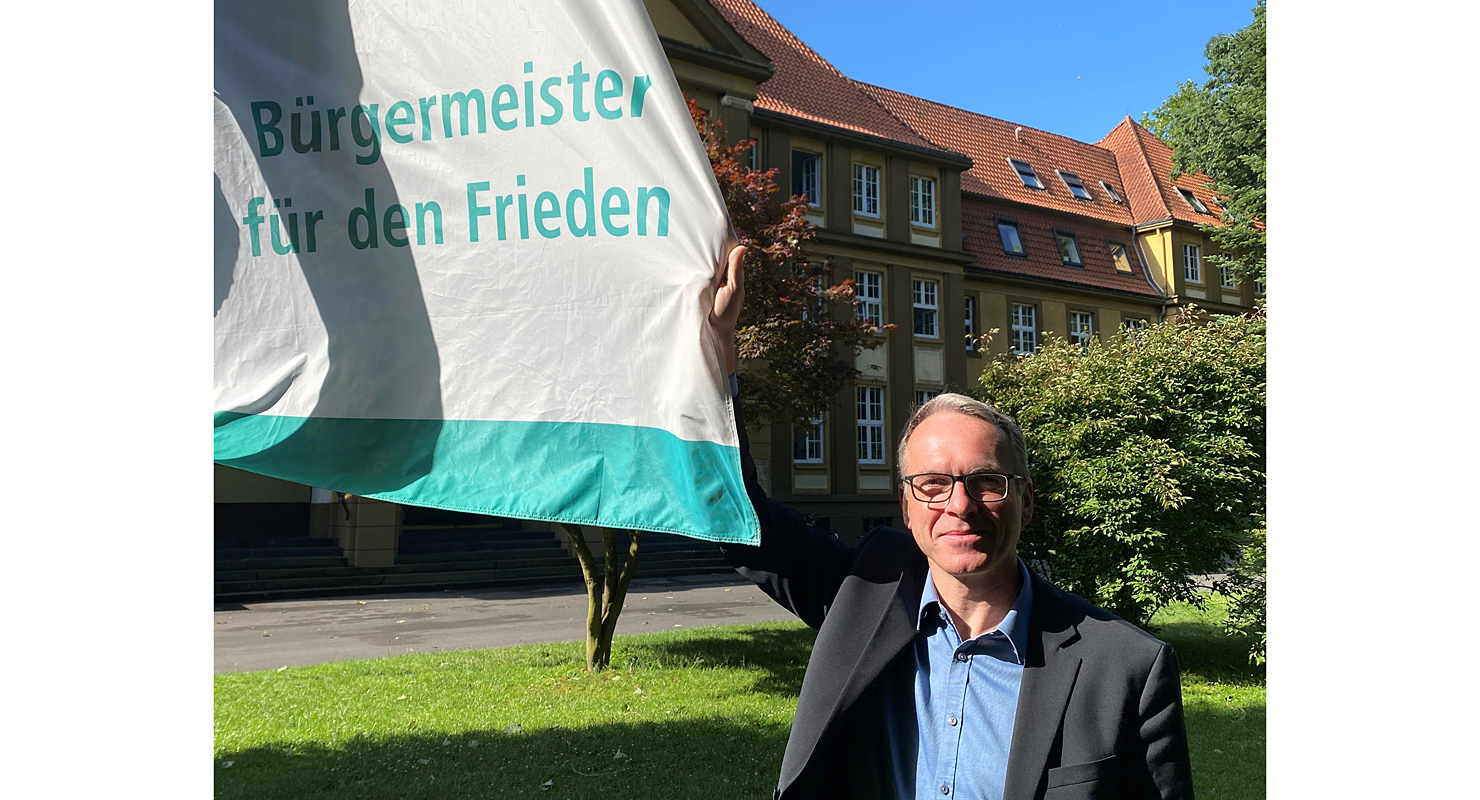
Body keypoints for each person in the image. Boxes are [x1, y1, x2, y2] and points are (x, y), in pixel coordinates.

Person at [708, 246, 1194, 800]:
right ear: (907, 505)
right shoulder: (862, 598)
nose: (959, 506)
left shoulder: (1124, 668)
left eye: (988, 481)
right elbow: (735, 517)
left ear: (1026, 501)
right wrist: (720, 350)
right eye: (933, 484)